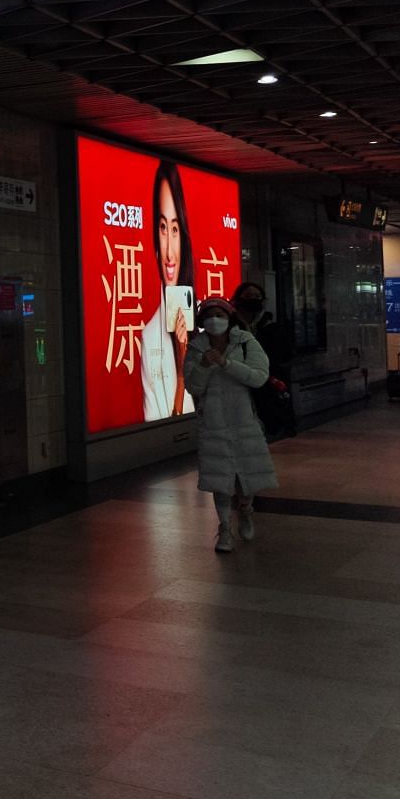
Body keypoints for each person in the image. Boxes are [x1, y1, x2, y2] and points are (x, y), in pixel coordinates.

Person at [184, 297, 276, 553]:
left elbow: (258, 376)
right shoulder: (196, 348)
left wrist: (226, 364)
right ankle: (224, 527)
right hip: (213, 422)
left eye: (219, 315)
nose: (214, 320)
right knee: (220, 477)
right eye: (209, 316)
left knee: (246, 474)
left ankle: (246, 511)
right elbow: (192, 386)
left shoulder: (246, 342)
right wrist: (204, 366)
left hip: (244, 418)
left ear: (229, 317)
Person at [140, 161, 195, 421]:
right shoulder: (150, 335)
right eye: (163, 228)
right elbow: (165, 421)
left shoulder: (205, 325)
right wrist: (182, 373)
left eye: (175, 229)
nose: (170, 252)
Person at [232, 281, 294, 438]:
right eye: (248, 296)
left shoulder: (270, 326)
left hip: (268, 381)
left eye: (257, 296)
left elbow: (283, 352)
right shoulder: (232, 325)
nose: (253, 299)